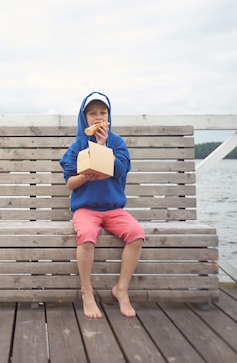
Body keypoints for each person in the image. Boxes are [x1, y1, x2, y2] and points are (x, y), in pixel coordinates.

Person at [59, 91, 145, 319]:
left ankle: (121, 289)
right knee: (86, 235)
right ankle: (86, 291)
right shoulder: (77, 146)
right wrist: (86, 174)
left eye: (103, 112)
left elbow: (120, 169)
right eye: (92, 113)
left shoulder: (116, 143)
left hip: (113, 208)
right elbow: (70, 183)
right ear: (83, 117)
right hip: (86, 208)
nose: (98, 117)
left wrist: (102, 145)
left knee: (136, 234)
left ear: (109, 115)